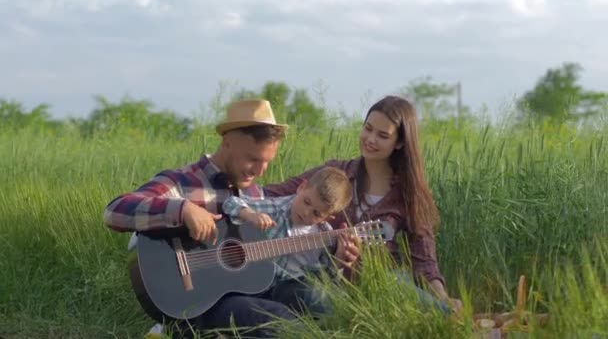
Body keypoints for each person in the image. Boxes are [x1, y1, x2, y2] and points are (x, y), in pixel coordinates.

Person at [103, 99, 361, 338]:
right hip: (198, 299)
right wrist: (182, 209)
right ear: (227, 142)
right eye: (253, 159)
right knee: (281, 322)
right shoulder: (182, 182)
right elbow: (115, 211)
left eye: (267, 162)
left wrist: (333, 258)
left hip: (245, 290)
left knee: (323, 305)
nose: (260, 171)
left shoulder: (253, 193)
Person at [264, 95, 462, 312]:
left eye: (382, 135)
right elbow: (273, 192)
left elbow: (424, 261)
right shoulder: (335, 174)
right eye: (368, 128)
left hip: (380, 285)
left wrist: (442, 297)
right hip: (326, 281)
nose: (370, 139)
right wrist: (224, 199)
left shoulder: (408, 194)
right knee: (312, 295)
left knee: (427, 303)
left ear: (399, 143)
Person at [222, 166, 354, 315]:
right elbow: (230, 202)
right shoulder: (274, 209)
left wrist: (338, 261)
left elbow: (323, 279)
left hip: (288, 290)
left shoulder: (325, 235)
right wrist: (249, 214)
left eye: (316, 213)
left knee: (325, 300)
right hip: (252, 284)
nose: (306, 212)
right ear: (301, 187)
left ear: (328, 218)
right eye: (306, 202)